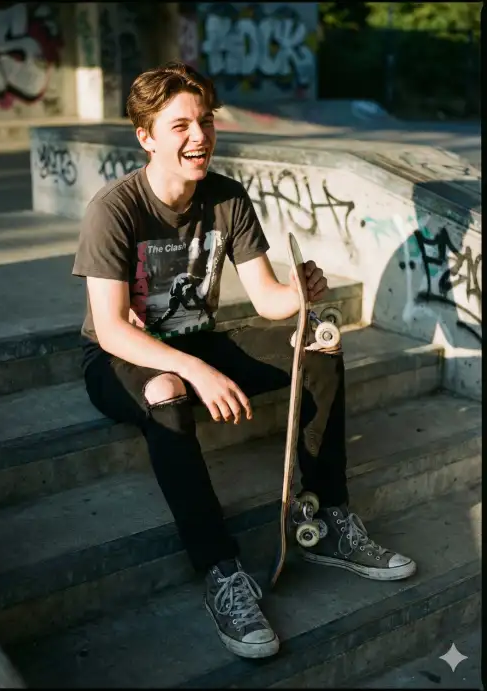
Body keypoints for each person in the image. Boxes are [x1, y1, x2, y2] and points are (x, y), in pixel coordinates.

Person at [72, 61, 417, 660]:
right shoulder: (116, 208)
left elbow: (267, 299)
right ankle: (221, 572)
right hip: (122, 356)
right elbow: (109, 330)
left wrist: (302, 294)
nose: (199, 137)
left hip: (197, 337)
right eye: (179, 125)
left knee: (320, 348)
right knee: (167, 392)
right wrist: (194, 370)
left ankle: (328, 518)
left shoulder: (227, 198)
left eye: (205, 121)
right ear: (146, 136)